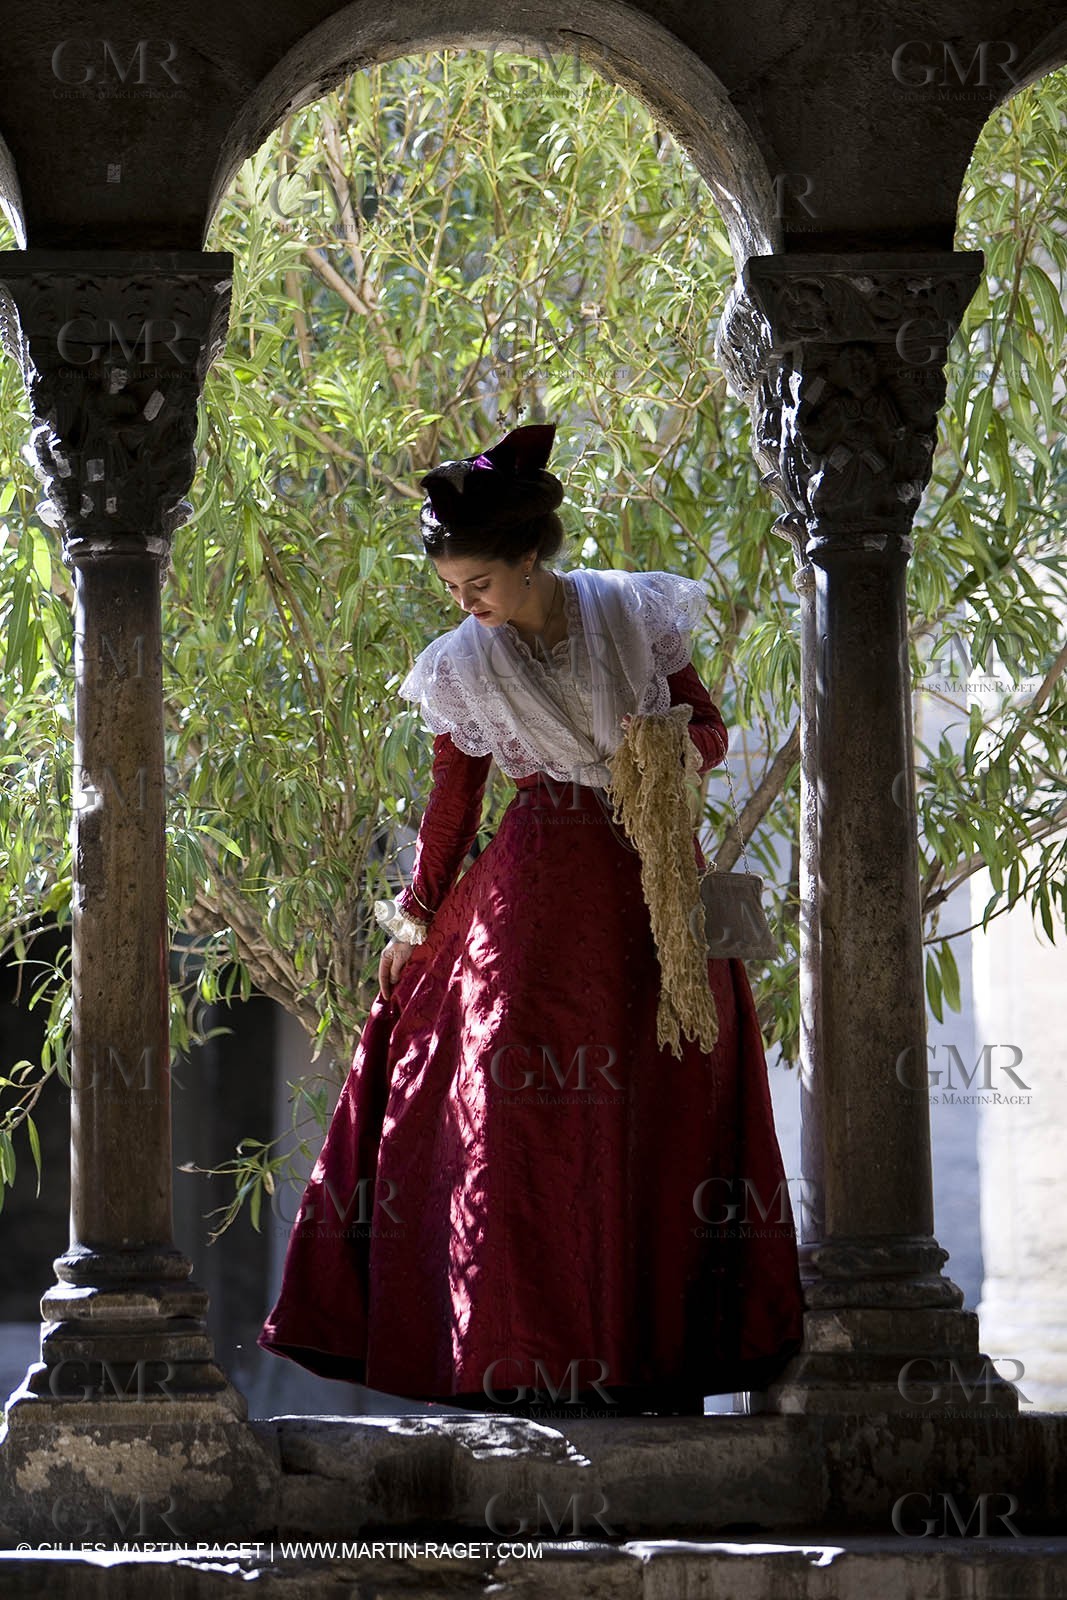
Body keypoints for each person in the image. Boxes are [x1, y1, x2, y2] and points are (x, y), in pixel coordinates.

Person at [258, 421, 803, 1416]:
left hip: (651, 902)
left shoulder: (632, 612)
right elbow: (452, 804)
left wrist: (670, 751)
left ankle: (646, 1360)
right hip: (535, 906)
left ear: (528, 560)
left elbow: (712, 726)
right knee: (518, 1121)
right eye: (453, 594)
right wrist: (415, 921)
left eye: (480, 587)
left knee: (663, 1109)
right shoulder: (462, 665)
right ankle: (518, 1364)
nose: (467, 609)